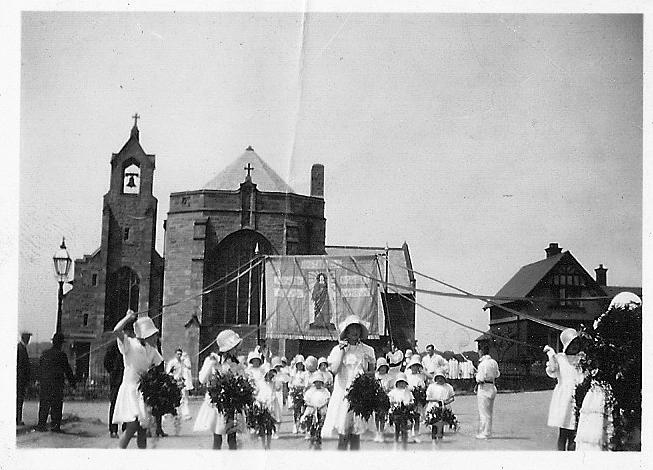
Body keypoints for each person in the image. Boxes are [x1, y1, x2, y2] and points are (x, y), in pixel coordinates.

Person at [321, 314, 376, 450]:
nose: (354, 332)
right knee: (343, 431)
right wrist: (342, 351)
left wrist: (369, 369)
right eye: (351, 328)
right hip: (343, 393)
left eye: (357, 328)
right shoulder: (337, 350)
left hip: (359, 393)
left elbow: (371, 373)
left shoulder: (368, 350)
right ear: (346, 331)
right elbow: (334, 370)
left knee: (356, 432)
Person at [111, 310, 163, 449]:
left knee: (142, 429)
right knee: (132, 426)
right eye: (152, 335)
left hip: (143, 392)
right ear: (145, 335)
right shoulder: (130, 344)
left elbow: (159, 365)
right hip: (130, 390)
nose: (155, 337)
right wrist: (128, 317)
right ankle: (118, 455)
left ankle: (140, 461)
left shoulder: (152, 350)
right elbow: (116, 331)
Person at [193, 329, 244, 450]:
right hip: (217, 404)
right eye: (235, 347)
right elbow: (202, 379)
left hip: (231, 403)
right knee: (218, 436)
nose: (238, 350)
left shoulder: (235, 363)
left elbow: (241, 379)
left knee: (232, 436)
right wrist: (211, 364)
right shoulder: (212, 360)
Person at [544, 328, 585, 451]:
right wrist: (551, 355)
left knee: (575, 433)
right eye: (571, 344)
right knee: (563, 432)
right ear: (566, 345)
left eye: (577, 343)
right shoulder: (560, 359)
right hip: (564, 399)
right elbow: (552, 371)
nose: (574, 346)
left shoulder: (581, 359)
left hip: (578, 396)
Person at [36, 332, 76, 432]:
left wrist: (39, 380)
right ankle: (55, 426)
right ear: (60, 343)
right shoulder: (62, 355)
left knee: (44, 405)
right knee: (56, 406)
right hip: (56, 386)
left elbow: (39, 368)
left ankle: (41, 425)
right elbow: (67, 370)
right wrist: (73, 383)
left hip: (45, 384)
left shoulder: (45, 353)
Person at [475, 345, 500, 439]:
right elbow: (497, 374)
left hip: (484, 388)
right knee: (489, 412)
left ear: (481, 351)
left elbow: (480, 378)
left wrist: (476, 375)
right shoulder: (494, 362)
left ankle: (484, 433)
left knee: (483, 412)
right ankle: (487, 432)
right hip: (492, 387)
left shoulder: (482, 364)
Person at [301, 371, 331, 450]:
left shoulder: (325, 391)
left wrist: (321, 406)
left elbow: (327, 400)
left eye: (319, 382)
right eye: (316, 382)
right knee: (311, 424)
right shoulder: (310, 391)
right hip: (312, 410)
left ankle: (318, 439)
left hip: (322, 409)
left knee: (320, 425)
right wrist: (313, 406)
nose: (318, 384)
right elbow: (306, 401)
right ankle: (311, 436)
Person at [425, 368, 455, 444]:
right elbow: (428, 398)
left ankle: (440, 438)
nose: (440, 379)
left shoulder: (448, 387)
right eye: (438, 378)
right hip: (434, 407)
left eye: (441, 378)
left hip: (444, 407)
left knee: (441, 423)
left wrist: (445, 402)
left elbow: (452, 398)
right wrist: (436, 401)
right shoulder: (432, 386)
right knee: (435, 422)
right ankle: (434, 439)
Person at [103, 340, 124, 438]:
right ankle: (113, 430)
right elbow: (106, 362)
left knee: (127, 404)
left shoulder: (130, 344)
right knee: (114, 404)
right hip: (116, 379)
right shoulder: (113, 346)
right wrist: (113, 371)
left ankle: (126, 428)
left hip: (127, 378)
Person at [388, 373, 414, 450]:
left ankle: (404, 445)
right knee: (396, 429)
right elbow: (390, 400)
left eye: (403, 383)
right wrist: (395, 404)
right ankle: (395, 443)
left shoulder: (408, 392)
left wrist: (409, 404)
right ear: (397, 383)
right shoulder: (393, 392)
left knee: (404, 429)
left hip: (405, 412)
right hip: (396, 413)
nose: (401, 384)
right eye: (400, 383)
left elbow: (412, 400)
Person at [374, 357, 393, 442]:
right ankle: (377, 431)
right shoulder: (375, 376)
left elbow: (391, 388)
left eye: (384, 367)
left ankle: (381, 432)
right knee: (377, 415)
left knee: (382, 415)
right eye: (381, 367)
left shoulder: (389, 377)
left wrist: (387, 391)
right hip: (376, 398)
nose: (383, 369)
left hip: (385, 398)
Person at [16, 331, 32, 426]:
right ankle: (17, 419)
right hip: (20, 379)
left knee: (19, 400)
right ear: (24, 338)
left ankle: (18, 418)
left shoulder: (22, 348)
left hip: (21, 379)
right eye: (27, 338)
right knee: (19, 400)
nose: (28, 340)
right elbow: (21, 366)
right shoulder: (20, 348)